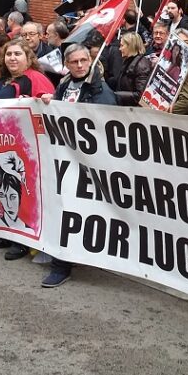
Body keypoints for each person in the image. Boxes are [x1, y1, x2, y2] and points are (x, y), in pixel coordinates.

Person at [38, 43, 117, 286]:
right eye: (75, 62)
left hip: (90, 162)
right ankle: (61, 262)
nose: (81, 65)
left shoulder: (101, 89)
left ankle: (71, 260)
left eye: (84, 60)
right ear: (67, 65)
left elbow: (107, 120)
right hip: (66, 159)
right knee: (64, 208)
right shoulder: (63, 86)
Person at [0, 39, 55, 259]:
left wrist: (37, 100)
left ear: (28, 58)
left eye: (18, 54)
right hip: (1, 144)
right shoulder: (2, 80)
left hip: (25, 148)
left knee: (21, 192)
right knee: (3, 190)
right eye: (9, 54)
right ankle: (7, 232)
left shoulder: (36, 78)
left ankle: (23, 239)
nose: (12, 58)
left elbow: (47, 107)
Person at [113, 32, 152, 106]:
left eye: (122, 45)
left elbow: (140, 95)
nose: (119, 48)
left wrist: (117, 95)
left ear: (130, 46)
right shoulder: (128, 60)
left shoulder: (142, 65)